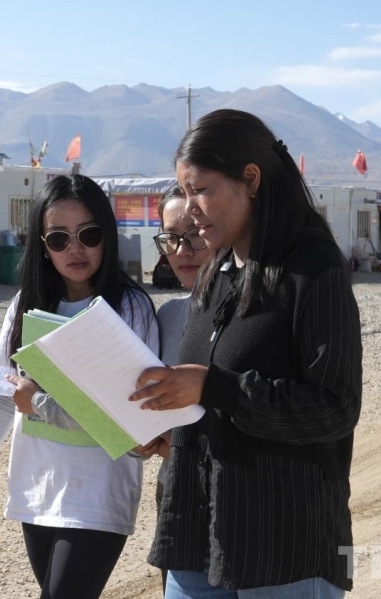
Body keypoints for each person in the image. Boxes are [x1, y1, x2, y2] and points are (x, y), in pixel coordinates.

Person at [130, 109, 363, 598]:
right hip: (196, 535)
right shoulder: (215, 275)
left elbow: (334, 408)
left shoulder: (313, 268)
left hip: (284, 548)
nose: (190, 208)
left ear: (251, 179)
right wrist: (163, 429)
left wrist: (215, 387)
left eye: (200, 189)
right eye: (184, 191)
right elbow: (207, 405)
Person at [0, 174, 159, 599]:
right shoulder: (26, 304)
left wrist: (39, 401)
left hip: (99, 493)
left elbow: (130, 423)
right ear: (43, 245)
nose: (75, 249)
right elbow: (4, 397)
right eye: (59, 238)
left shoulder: (131, 308)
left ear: (107, 236)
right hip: (36, 489)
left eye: (88, 234)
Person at [150, 183, 211, 591]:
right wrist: (143, 441)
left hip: (241, 493)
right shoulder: (168, 317)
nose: (182, 251)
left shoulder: (255, 314)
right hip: (176, 494)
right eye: (171, 238)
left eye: (193, 235)